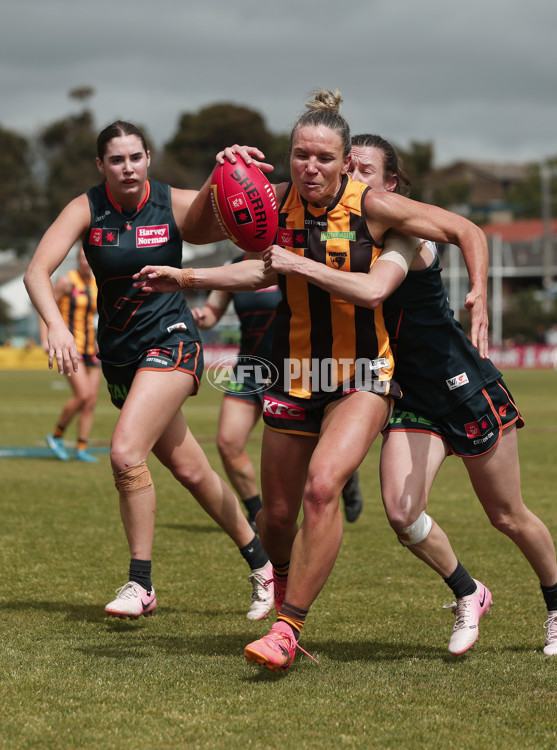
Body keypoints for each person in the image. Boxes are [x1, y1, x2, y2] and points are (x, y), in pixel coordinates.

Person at [134, 88, 490, 671]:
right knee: (276, 517)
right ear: (290, 155)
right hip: (297, 373)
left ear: (346, 161)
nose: (311, 167)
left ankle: (287, 627)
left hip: (364, 375)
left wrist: (477, 292)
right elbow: (212, 235)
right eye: (301, 155)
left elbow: (467, 230)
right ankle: (281, 597)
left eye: (324, 157)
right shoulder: (274, 204)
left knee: (323, 488)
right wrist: (197, 244)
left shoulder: (373, 207)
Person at [264, 132, 557, 657]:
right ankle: (468, 592)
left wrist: (479, 291)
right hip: (405, 392)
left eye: (365, 172)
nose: (353, 180)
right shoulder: (338, 232)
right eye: (351, 168)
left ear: (391, 187)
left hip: (460, 386)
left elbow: (451, 238)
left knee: (507, 515)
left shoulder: (403, 238)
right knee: (402, 513)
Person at [24, 120, 274, 622]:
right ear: (101, 166)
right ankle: (263, 563)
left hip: (172, 343)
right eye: (116, 160)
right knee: (191, 470)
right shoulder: (86, 208)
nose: (127, 167)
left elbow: (216, 216)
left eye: (135, 157)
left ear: (148, 158)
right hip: (120, 355)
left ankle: (140, 583)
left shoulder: (171, 202)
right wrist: (54, 325)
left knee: (124, 452)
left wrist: (228, 169)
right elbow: (36, 271)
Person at [191, 256, 365, 529]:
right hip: (250, 368)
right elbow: (212, 312)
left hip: (295, 367)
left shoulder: (290, 257)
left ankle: (348, 480)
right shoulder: (231, 267)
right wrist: (201, 317)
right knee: (228, 443)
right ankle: (257, 512)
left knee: (316, 448)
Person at [40, 243, 102, 463]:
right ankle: (56, 436)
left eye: (89, 258)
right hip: (70, 348)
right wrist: (45, 337)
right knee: (82, 395)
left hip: (91, 348)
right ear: (77, 259)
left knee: (91, 400)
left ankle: (81, 447)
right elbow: (46, 307)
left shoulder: (96, 283)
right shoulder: (67, 281)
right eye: (82, 258)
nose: (86, 262)